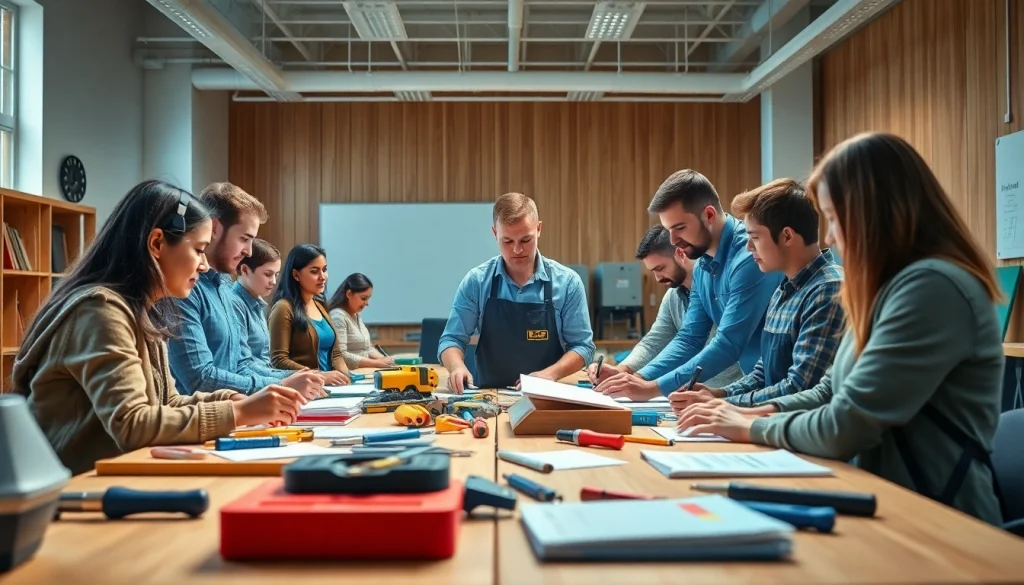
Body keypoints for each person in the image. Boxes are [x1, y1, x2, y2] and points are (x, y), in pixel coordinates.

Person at [676, 132, 1005, 524]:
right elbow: (828, 391)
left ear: (874, 213)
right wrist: (746, 413)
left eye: (833, 218)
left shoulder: (932, 287)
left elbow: (846, 424)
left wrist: (752, 425)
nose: (829, 236)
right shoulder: (884, 289)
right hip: (884, 500)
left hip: (940, 518)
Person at [10, 180, 307, 475]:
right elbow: (132, 423)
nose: (204, 265)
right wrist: (238, 412)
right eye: (199, 250)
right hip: (77, 488)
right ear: (156, 244)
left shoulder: (143, 310)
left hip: (116, 476)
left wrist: (230, 399)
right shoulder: (101, 310)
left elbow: (167, 401)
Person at [595, 170, 782, 401]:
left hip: (784, 387)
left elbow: (728, 344)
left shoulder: (747, 256)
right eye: (668, 230)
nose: (673, 241)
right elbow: (690, 338)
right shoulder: (702, 265)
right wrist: (638, 378)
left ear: (709, 215)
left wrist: (653, 388)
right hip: (759, 385)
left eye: (680, 228)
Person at [669, 178, 845, 411]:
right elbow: (763, 373)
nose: (748, 247)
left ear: (787, 236)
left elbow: (799, 387)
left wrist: (721, 403)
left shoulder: (827, 289)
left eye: (755, 238)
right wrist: (719, 393)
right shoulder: (783, 289)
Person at [166, 182, 323, 398]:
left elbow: (240, 365)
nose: (248, 251)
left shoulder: (224, 287)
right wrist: (282, 384)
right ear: (214, 228)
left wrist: (294, 378)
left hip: (238, 410)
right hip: (209, 415)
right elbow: (199, 379)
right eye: (244, 239)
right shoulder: (185, 290)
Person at [439, 192, 596, 392]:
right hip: (488, 396)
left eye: (525, 240)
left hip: (547, 396)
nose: (517, 250)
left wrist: (551, 374)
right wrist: (457, 367)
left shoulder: (568, 283)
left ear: (538, 229)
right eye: (507, 241)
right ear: (495, 233)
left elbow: (583, 346)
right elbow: (452, 339)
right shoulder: (476, 282)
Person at [587, 225, 743, 387]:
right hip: (697, 393)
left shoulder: (719, 289)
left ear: (681, 254)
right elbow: (653, 342)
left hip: (733, 390)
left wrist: (644, 381)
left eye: (660, 268)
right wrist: (623, 369)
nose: (657, 278)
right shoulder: (672, 297)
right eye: (653, 271)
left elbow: (718, 346)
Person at [268, 244, 350, 385]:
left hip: (331, 387)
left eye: (324, 270)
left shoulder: (320, 305)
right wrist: (320, 376)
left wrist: (347, 378)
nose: (322, 277)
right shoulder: (283, 308)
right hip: (306, 387)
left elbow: (336, 354)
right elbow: (279, 360)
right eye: (314, 271)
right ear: (296, 275)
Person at [327, 273, 396, 370]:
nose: (367, 303)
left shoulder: (356, 315)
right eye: (363, 298)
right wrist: (376, 363)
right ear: (349, 294)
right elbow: (341, 356)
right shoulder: (337, 316)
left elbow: (367, 348)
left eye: (368, 298)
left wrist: (386, 360)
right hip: (349, 374)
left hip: (363, 370)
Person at [233, 238, 281, 365]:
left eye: (276, 275)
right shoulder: (235, 304)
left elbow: (263, 358)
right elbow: (244, 365)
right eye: (268, 274)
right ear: (245, 270)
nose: (273, 281)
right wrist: (289, 375)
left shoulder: (257, 301)